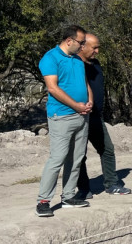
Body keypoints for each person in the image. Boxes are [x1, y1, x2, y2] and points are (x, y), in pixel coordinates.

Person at [35, 25, 93, 217]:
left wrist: (89, 100)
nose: (83, 46)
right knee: (57, 158)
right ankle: (43, 200)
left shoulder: (77, 59)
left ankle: (68, 196)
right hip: (62, 115)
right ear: (69, 41)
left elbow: (84, 83)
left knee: (76, 158)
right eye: (81, 42)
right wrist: (76, 105)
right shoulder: (50, 58)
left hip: (82, 116)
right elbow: (52, 88)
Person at [74, 33, 131, 197]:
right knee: (79, 155)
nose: (97, 51)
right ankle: (84, 189)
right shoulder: (75, 65)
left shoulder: (95, 64)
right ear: (82, 46)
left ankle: (112, 184)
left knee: (107, 149)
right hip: (79, 116)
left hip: (96, 117)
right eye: (94, 47)